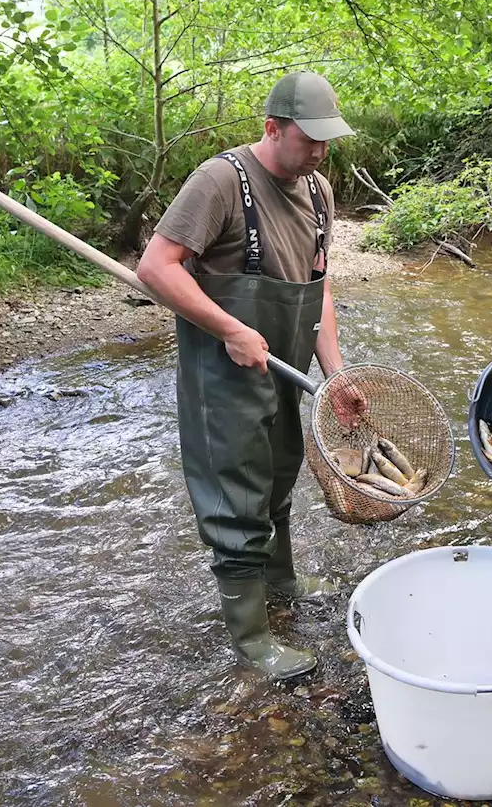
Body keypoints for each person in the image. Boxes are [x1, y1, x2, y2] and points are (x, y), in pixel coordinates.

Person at [137, 71, 365, 680]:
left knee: (278, 481)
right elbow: (156, 268)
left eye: (326, 141)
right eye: (308, 140)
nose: (319, 152)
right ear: (272, 128)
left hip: (284, 370)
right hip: (224, 375)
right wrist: (231, 328)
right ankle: (251, 637)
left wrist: (335, 374)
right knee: (237, 501)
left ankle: (281, 582)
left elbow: (316, 290)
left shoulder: (319, 191)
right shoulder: (220, 182)